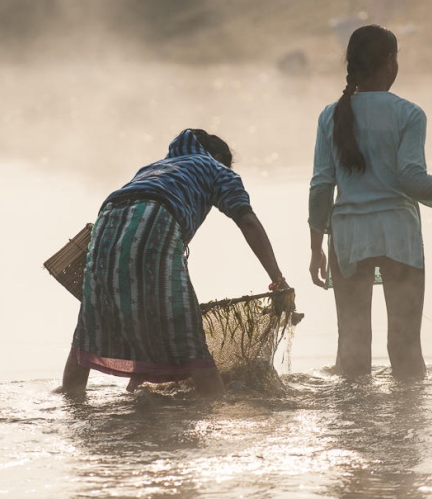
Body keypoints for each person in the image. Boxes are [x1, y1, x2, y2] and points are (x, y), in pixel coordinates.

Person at [308, 26, 432, 380]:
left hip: (348, 239)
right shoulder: (408, 113)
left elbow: (322, 186)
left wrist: (316, 247)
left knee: (352, 347)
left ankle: (354, 430)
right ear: (390, 62)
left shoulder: (330, 115)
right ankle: (408, 428)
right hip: (398, 237)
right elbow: (412, 180)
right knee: (405, 345)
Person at [59, 128, 289, 398]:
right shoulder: (215, 167)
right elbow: (247, 220)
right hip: (154, 223)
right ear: (217, 156)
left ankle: (72, 405)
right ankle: (215, 407)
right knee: (188, 339)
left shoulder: (153, 167)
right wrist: (278, 277)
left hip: (105, 230)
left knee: (90, 332)